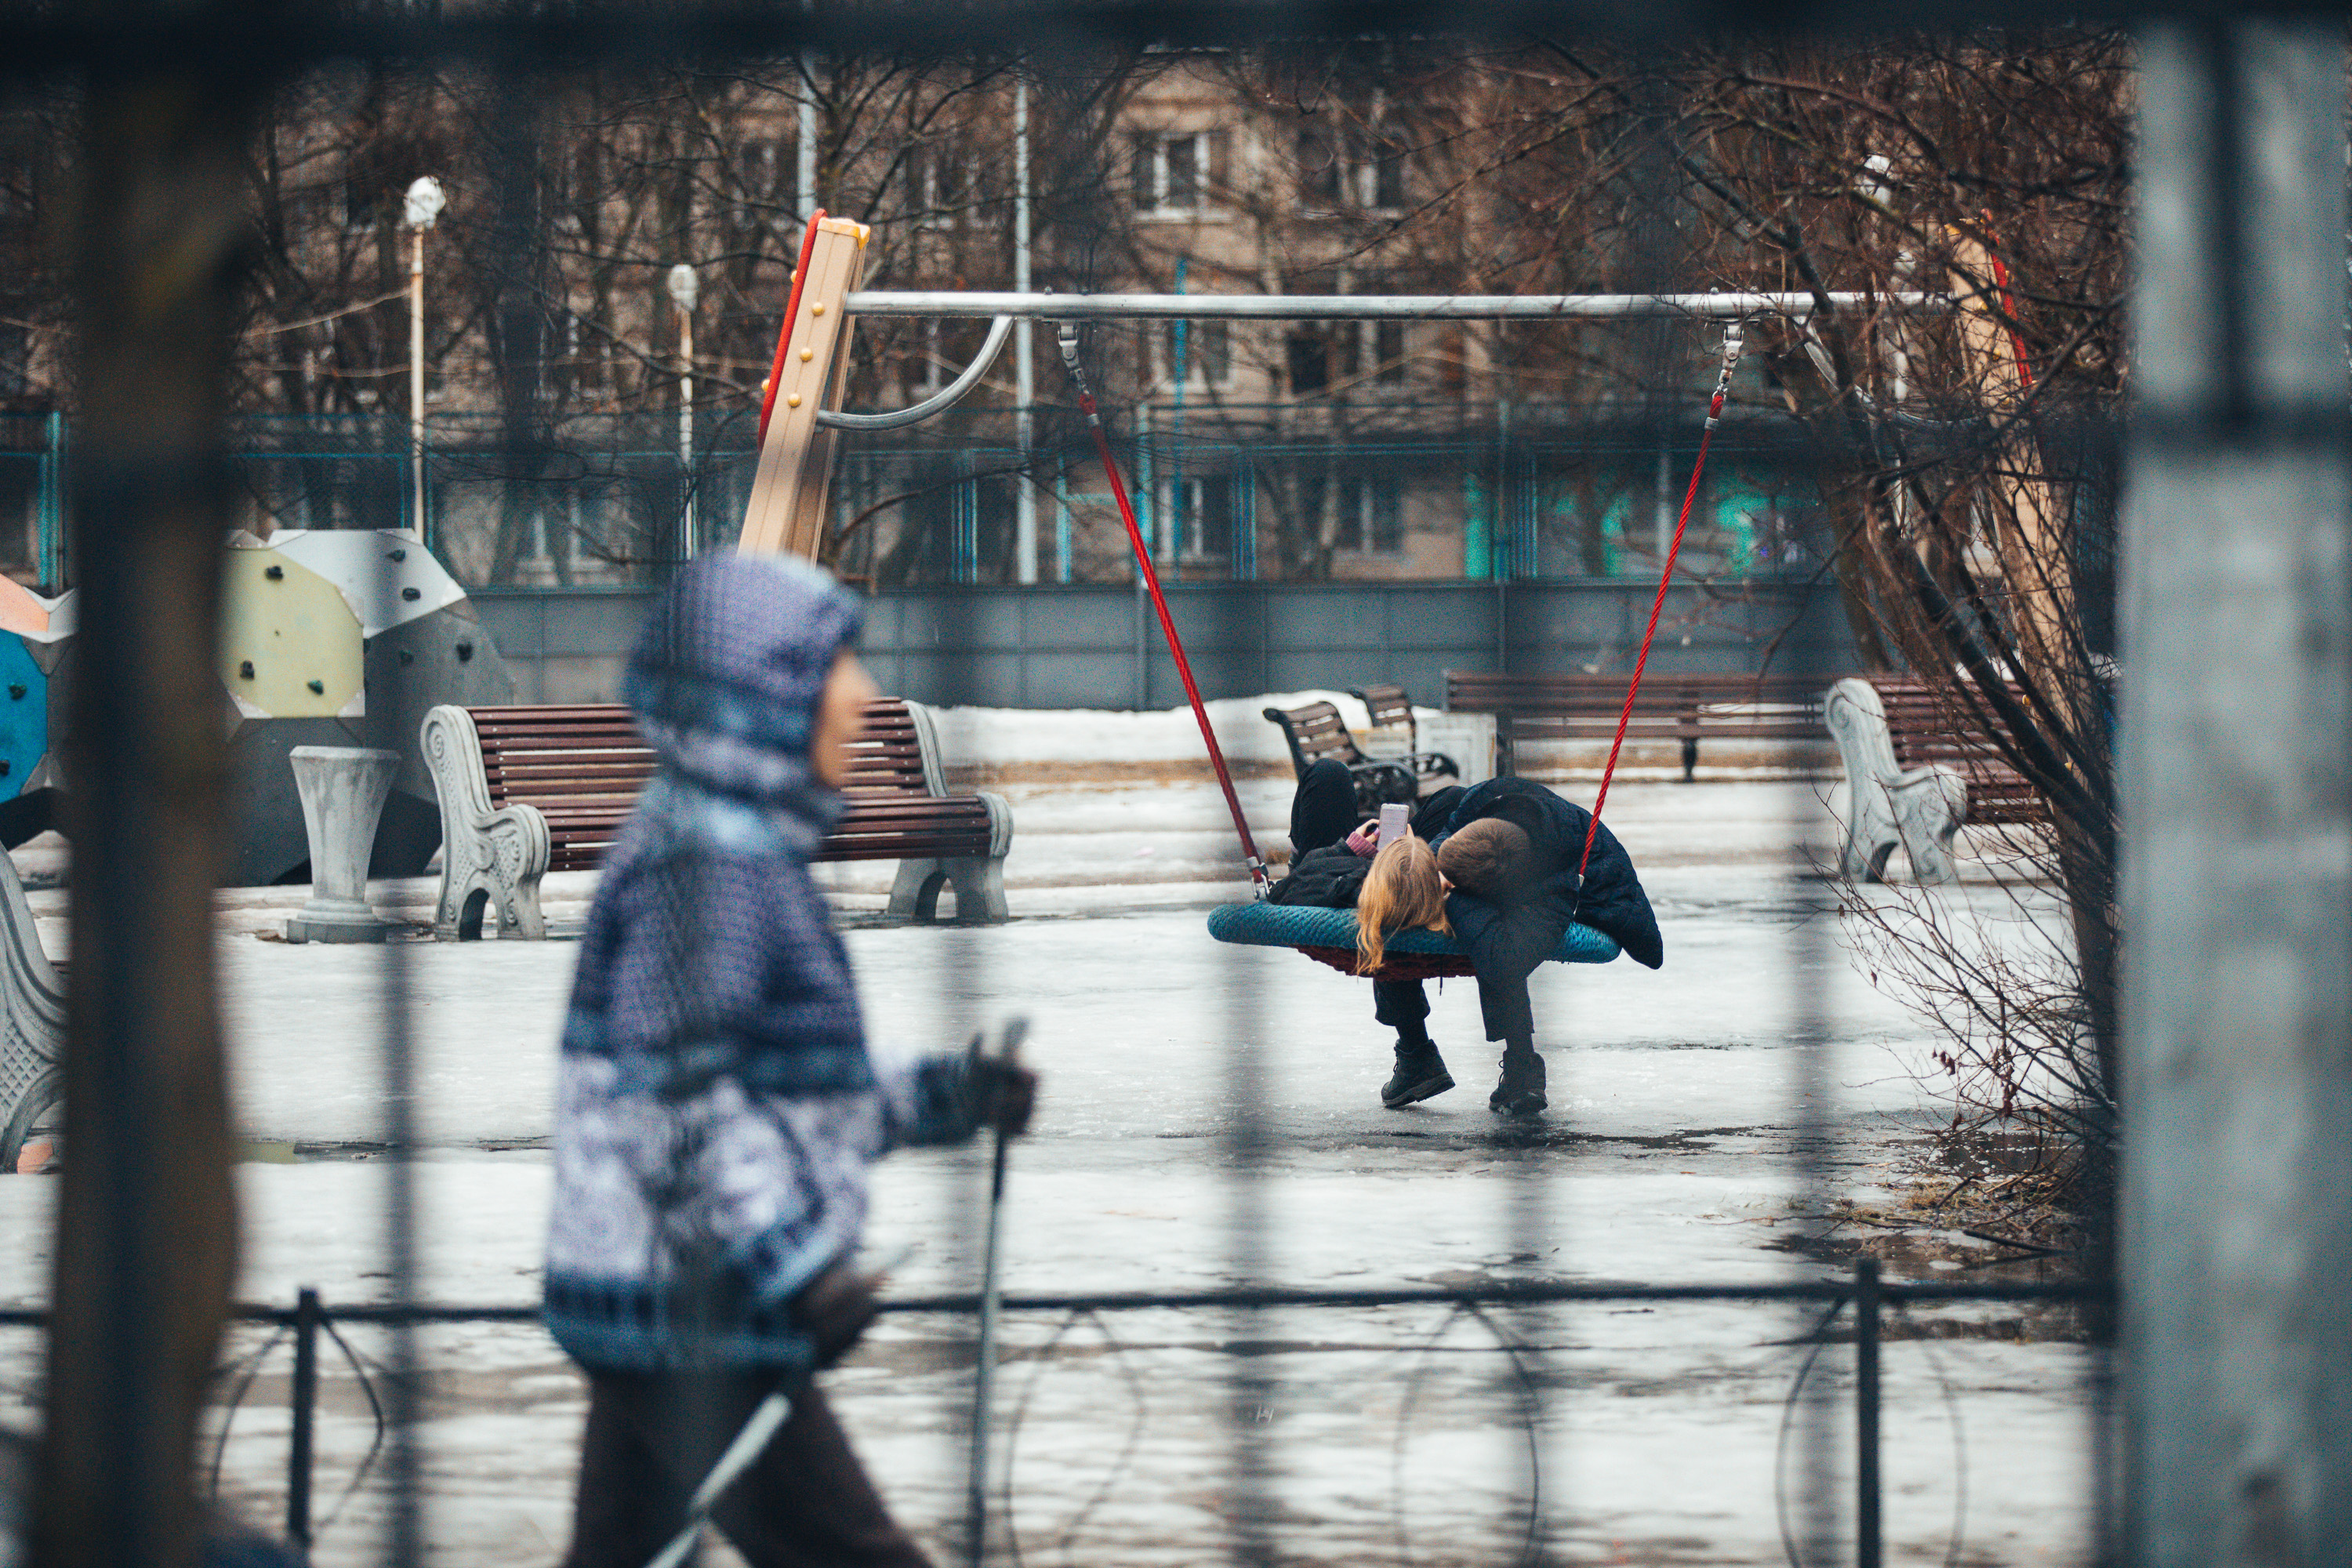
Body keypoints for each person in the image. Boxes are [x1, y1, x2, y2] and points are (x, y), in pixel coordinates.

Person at [543, 553, 1036, 1568]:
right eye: (836, 666)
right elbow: (674, 1100)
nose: (860, 694)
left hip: (654, 1294)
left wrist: (947, 1095)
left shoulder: (734, 843)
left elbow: (785, 1080)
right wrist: (794, 1268)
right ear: (761, 693)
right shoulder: (710, 859)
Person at [1272, 758, 1662, 1116]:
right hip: (1461, 845)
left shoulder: (1548, 895)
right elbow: (1454, 842)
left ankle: (1440, 1055)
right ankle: (1428, 1059)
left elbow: (1507, 956)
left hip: (1418, 881)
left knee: (1391, 904)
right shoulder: (1476, 809)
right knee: (1371, 782)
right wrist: (1411, 853)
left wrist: (1446, 892)